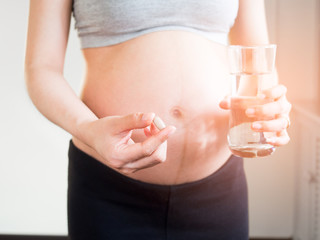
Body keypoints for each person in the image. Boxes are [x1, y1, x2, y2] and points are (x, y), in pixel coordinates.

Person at [25, 0, 291, 239]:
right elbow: (41, 69)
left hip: (219, 187)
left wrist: (267, 108)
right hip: (109, 191)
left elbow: (259, 60)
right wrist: (88, 129)